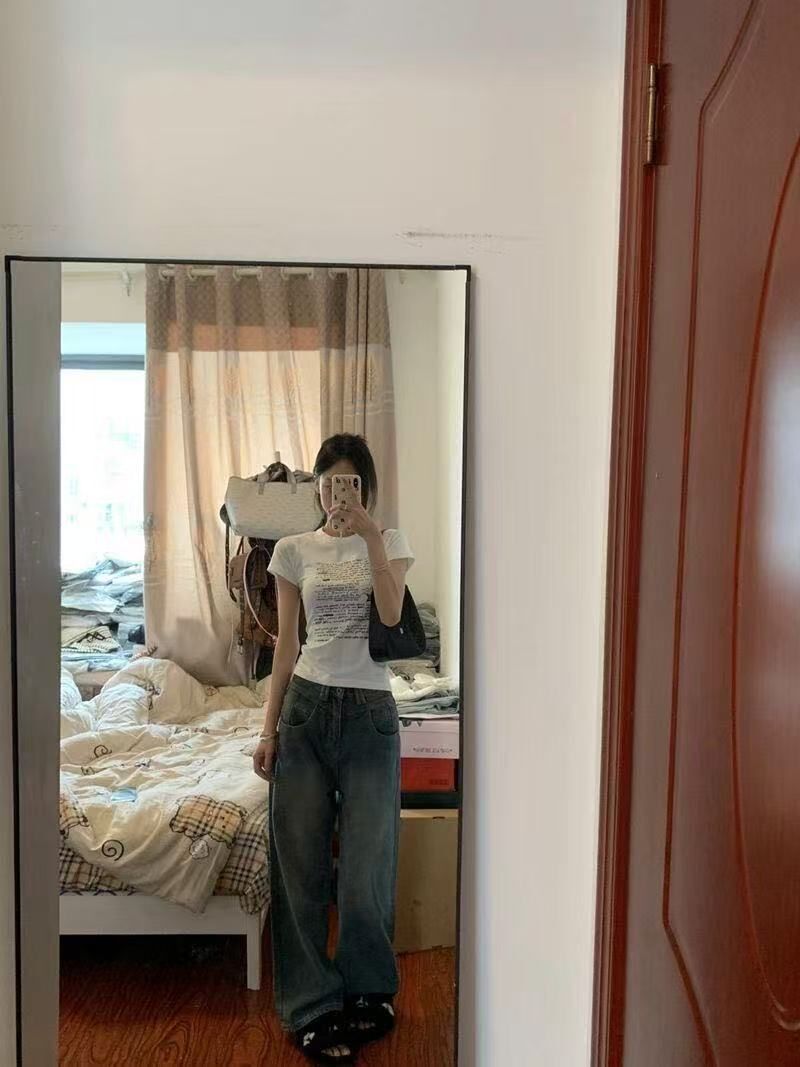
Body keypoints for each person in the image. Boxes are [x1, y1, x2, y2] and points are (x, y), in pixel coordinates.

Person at [253, 433, 413, 1065]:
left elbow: (392, 615)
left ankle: (370, 988)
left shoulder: (390, 541)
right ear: (316, 487)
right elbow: (286, 645)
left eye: (347, 483)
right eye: (326, 483)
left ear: (364, 488)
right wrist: (268, 729)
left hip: (371, 714)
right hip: (307, 709)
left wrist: (370, 537)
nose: (335, 494)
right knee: (300, 863)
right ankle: (311, 1004)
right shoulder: (293, 550)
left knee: (369, 864)